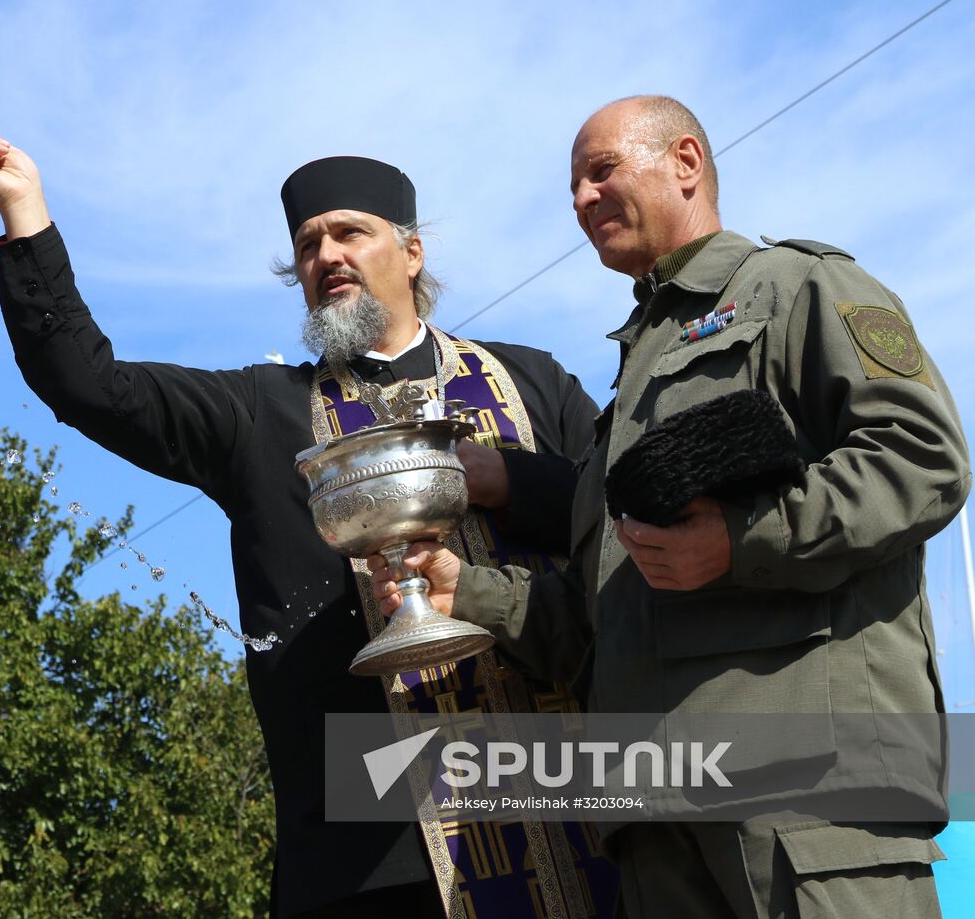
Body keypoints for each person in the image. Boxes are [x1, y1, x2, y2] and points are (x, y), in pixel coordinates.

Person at [0, 124, 618, 916]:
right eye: (308, 245)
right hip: (370, 843)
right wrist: (24, 211)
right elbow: (87, 384)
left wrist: (503, 477)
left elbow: (618, 521)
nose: (328, 256)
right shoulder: (260, 412)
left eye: (350, 233)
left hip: (571, 817)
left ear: (411, 252)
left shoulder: (530, 382)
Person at [372, 95, 971, 917]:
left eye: (602, 171)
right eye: (573, 187)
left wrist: (739, 539)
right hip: (656, 820)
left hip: (804, 797)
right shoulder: (620, 402)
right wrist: (461, 591)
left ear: (686, 162)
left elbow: (923, 457)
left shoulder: (798, 288)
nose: (581, 200)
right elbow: (602, 620)